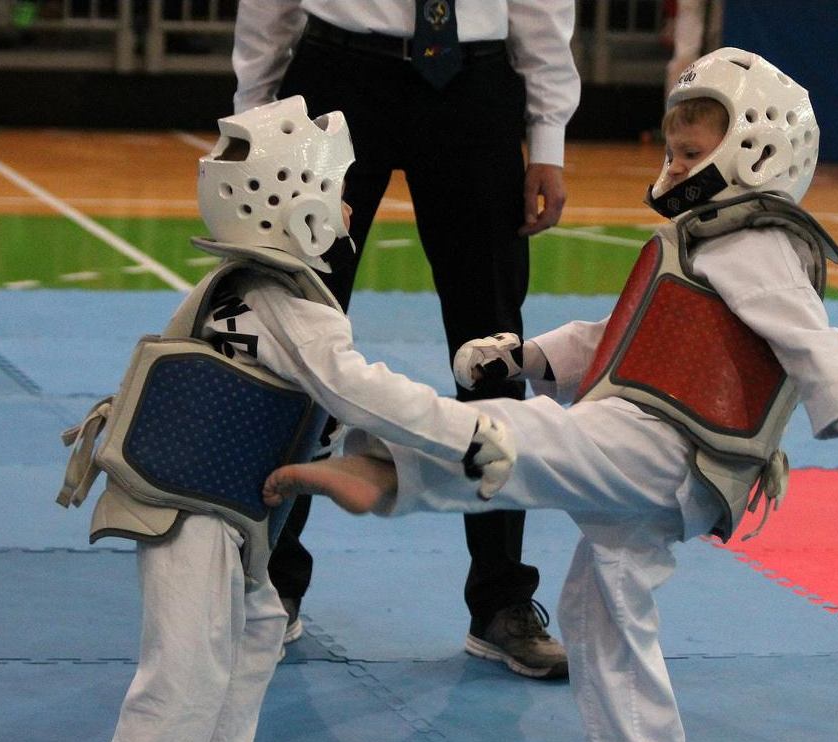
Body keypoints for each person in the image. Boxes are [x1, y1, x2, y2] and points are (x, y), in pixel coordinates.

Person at [262, 49, 838, 742]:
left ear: (757, 153)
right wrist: (524, 358)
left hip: (669, 446)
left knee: (533, 438)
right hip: (667, 452)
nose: (674, 168)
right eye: (673, 153)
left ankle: (394, 469)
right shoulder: (706, 241)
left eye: (691, 155)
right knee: (600, 606)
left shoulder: (755, 243)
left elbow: (814, 344)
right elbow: (620, 337)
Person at [55, 96, 516, 742]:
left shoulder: (238, 287)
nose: (350, 207)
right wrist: (465, 431)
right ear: (299, 212)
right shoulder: (289, 308)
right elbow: (358, 391)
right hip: (195, 514)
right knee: (181, 680)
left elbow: (320, 412)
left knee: (257, 629)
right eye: (338, 191)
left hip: (208, 509)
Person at [231, 0, 582, 679]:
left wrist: (547, 141)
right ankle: (269, 581)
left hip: (475, 83)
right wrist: (253, 115)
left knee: (494, 353)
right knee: (293, 339)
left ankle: (502, 600)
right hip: (337, 72)